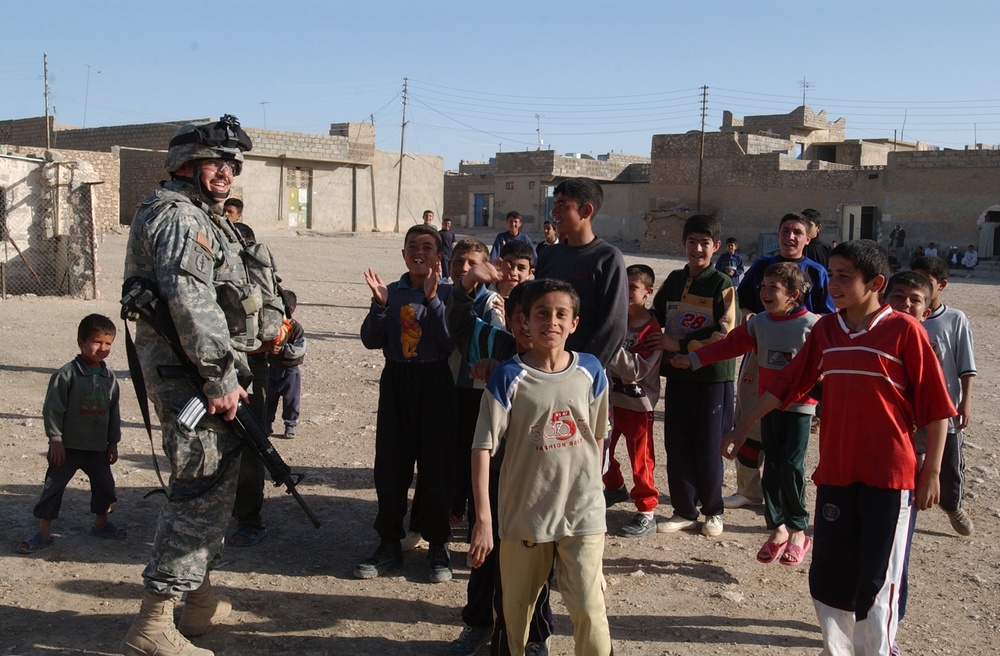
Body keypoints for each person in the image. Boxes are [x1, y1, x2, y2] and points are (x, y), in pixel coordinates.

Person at [723, 240, 954, 655]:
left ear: (875, 283)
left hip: (890, 477)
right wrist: (743, 426)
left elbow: (937, 410)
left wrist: (932, 471)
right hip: (836, 473)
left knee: (876, 581)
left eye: (846, 276)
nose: (834, 284)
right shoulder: (827, 330)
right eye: (832, 275)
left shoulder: (905, 331)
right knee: (829, 578)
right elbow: (786, 384)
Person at [121, 115, 256, 656]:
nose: (224, 173)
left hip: (192, 372)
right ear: (185, 166)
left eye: (230, 165)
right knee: (198, 490)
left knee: (210, 482)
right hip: (192, 377)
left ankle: (195, 601)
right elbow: (190, 301)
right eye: (213, 163)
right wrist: (220, 377)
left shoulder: (189, 210)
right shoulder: (180, 217)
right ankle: (153, 624)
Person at [468, 279, 613, 656]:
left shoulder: (592, 372)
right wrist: (484, 519)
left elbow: (597, 437)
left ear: (574, 323)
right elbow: (482, 448)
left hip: (582, 514)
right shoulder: (508, 377)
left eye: (561, 314)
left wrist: (591, 489)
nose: (551, 321)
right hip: (525, 516)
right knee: (515, 616)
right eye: (541, 313)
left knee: (590, 610)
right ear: (525, 323)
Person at [674, 263, 817, 565]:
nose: (764, 292)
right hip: (768, 406)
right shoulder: (760, 324)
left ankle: (798, 532)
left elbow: (826, 370)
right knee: (771, 467)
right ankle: (777, 529)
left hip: (799, 408)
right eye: (762, 286)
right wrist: (694, 359)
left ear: (793, 294)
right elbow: (730, 345)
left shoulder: (812, 327)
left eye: (773, 288)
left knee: (791, 466)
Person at [444, 275, 554, 656]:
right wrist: (467, 286)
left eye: (536, 316)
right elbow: (457, 324)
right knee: (484, 557)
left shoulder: (560, 364)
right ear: (509, 319)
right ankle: (478, 623)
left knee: (538, 559)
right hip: (495, 476)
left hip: (538, 481)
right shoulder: (498, 348)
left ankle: (536, 637)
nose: (528, 326)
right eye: (519, 316)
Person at [358, 224, 456, 583]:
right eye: (412, 246)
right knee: (391, 464)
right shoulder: (392, 292)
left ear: (437, 256)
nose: (419, 252)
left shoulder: (446, 292)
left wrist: (432, 302)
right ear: (403, 254)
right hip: (397, 380)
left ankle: (437, 545)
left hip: (434, 382)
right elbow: (371, 340)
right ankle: (388, 543)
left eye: (427, 247)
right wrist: (379, 305)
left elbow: (448, 344)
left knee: (436, 467)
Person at [727, 212, 833, 510]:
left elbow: (827, 313)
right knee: (749, 415)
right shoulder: (762, 266)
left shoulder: (817, 272)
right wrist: (748, 312)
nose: (790, 236)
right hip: (760, 349)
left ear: (808, 238)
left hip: (800, 359)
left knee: (790, 430)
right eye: (785, 230)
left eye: (797, 232)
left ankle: (786, 497)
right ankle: (748, 490)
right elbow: (744, 300)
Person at [650, 214, 739, 537]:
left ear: (716, 247)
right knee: (677, 443)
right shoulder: (674, 280)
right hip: (678, 375)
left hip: (712, 378)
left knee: (708, 444)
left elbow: (727, 333)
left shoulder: (722, 284)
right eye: (691, 242)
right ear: (683, 244)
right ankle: (684, 509)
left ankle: (713, 510)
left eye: (704, 243)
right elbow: (653, 316)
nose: (697, 249)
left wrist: (683, 344)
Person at [17, 314, 123, 555]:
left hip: (97, 448)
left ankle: (101, 524)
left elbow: (113, 412)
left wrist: (113, 442)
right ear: (80, 341)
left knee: (105, 485)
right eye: (96, 342)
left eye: (108, 344)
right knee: (53, 487)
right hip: (68, 448)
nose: (102, 348)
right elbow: (53, 409)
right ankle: (43, 533)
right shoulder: (66, 375)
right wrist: (55, 440)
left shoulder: (110, 379)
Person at [911, 255, 977, 536]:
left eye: (927, 279)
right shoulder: (903, 315)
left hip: (944, 409)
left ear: (942, 285)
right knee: (907, 462)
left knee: (949, 465)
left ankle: (952, 506)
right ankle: (904, 511)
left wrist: (966, 400)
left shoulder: (954, 319)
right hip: (910, 411)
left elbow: (966, 365)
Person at [228, 220, 284, 548]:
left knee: (251, 446)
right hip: (209, 368)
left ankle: (249, 517)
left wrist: (268, 343)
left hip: (250, 367)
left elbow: (280, 323)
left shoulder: (261, 275)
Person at [535, 177, 628, 369]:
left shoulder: (607, 258)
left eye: (562, 205)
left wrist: (584, 370)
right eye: (554, 205)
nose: (554, 212)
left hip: (583, 373)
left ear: (586, 211)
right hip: (545, 367)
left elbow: (613, 326)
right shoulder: (549, 254)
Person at [602, 264, 662, 538]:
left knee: (641, 459)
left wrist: (609, 345)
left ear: (648, 292)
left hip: (638, 407)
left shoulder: (652, 330)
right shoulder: (615, 321)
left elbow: (637, 370)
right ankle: (615, 488)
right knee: (602, 451)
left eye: (633, 287)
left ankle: (647, 511)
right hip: (611, 403)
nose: (627, 292)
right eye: (624, 286)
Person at [266, 289, 306, 439]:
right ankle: (267, 424)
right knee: (269, 399)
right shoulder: (272, 326)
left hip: (290, 372)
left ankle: (290, 425)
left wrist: (283, 350)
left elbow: (300, 348)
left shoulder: (295, 328)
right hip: (273, 370)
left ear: (290, 310)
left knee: (291, 400)